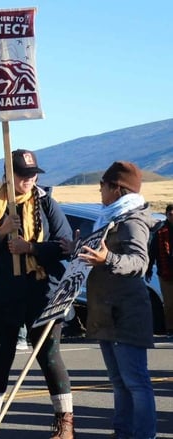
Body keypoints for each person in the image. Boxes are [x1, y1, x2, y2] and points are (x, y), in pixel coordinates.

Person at [0, 149, 75, 439]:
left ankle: (64, 422)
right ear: (8, 175)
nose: (29, 179)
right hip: (1, 296)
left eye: (32, 174)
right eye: (22, 174)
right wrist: (1, 233)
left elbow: (65, 245)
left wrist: (31, 249)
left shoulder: (47, 205)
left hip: (43, 294)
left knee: (50, 356)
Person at [76, 161, 157, 439]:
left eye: (103, 185)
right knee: (119, 382)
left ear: (116, 188)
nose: (99, 191)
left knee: (136, 381)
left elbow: (139, 262)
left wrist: (107, 259)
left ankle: (144, 434)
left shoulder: (132, 221)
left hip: (126, 312)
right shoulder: (110, 217)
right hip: (108, 311)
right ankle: (123, 432)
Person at [147, 203, 173, 334]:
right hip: (165, 272)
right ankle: (170, 328)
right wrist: (149, 268)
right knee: (169, 304)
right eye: (170, 214)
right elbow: (152, 251)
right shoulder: (160, 232)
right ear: (167, 215)